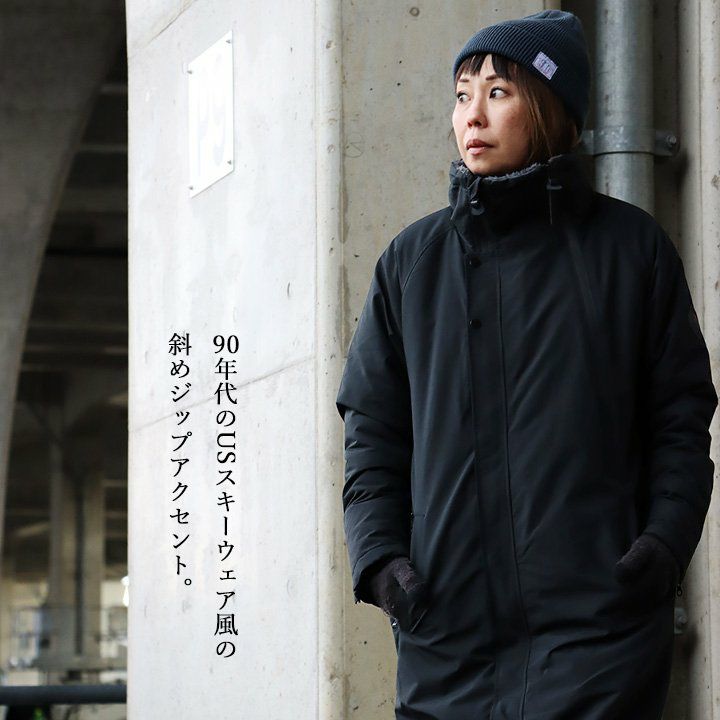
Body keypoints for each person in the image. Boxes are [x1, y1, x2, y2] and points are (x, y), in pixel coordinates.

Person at [335, 9, 718, 720]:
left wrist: (664, 543)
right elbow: (371, 432)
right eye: (462, 95)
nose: (472, 116)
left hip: (598, 643)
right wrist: (382, 561)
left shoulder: (630, 251)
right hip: (447, 643)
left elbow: (681, 419)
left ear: (549, 106)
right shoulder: (412, 264)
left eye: (497, 93)